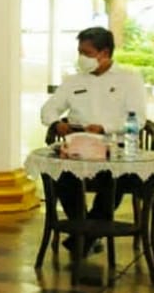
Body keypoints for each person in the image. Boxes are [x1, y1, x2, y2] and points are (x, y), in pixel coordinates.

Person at [40, 27, 146, 253]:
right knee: (61, 177)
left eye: (86, 53)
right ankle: (87, 232)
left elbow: (138, 119)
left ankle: (84, 237)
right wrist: (56, 123)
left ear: (104, 53)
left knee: (114, 180)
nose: (81, 57)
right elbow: (48, 110)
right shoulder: (73, 81)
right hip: (79, 150)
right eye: (79, 51)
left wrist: (105, 128)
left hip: (116, 150)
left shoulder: (129, 79)